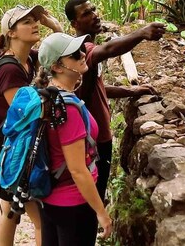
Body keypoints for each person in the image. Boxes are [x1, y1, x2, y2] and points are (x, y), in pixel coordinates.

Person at [64, 0, 165, 202]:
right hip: (92, 140)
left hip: (96, 136)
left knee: (93, 194)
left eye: (93, 9)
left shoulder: (83, 49)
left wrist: (131, 91)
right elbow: (108, 50)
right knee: (92, 196)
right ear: (74, 24)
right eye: (86, 14)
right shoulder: (82, 50)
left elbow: (98, 88)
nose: (94, 15)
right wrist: (142, 33)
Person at [0, 4, 63, 246]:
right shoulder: (9, 68)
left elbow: (60, 54)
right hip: (12, 151)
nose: (35, 25)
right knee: (39, 217)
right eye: (27, 22)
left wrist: (56, 27)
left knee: (9, 211)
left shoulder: (29, 59)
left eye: (35, 20)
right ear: (11, 33)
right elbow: (25, 112)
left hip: (16, 147)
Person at [36, 32, 112, 246]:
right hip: (73, 203)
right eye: (73, 54)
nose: (81, 55)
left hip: (50, 199)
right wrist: (101, 211)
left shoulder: (47, 95)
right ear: (57, 67)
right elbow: (78, 169)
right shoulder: (66, 108)